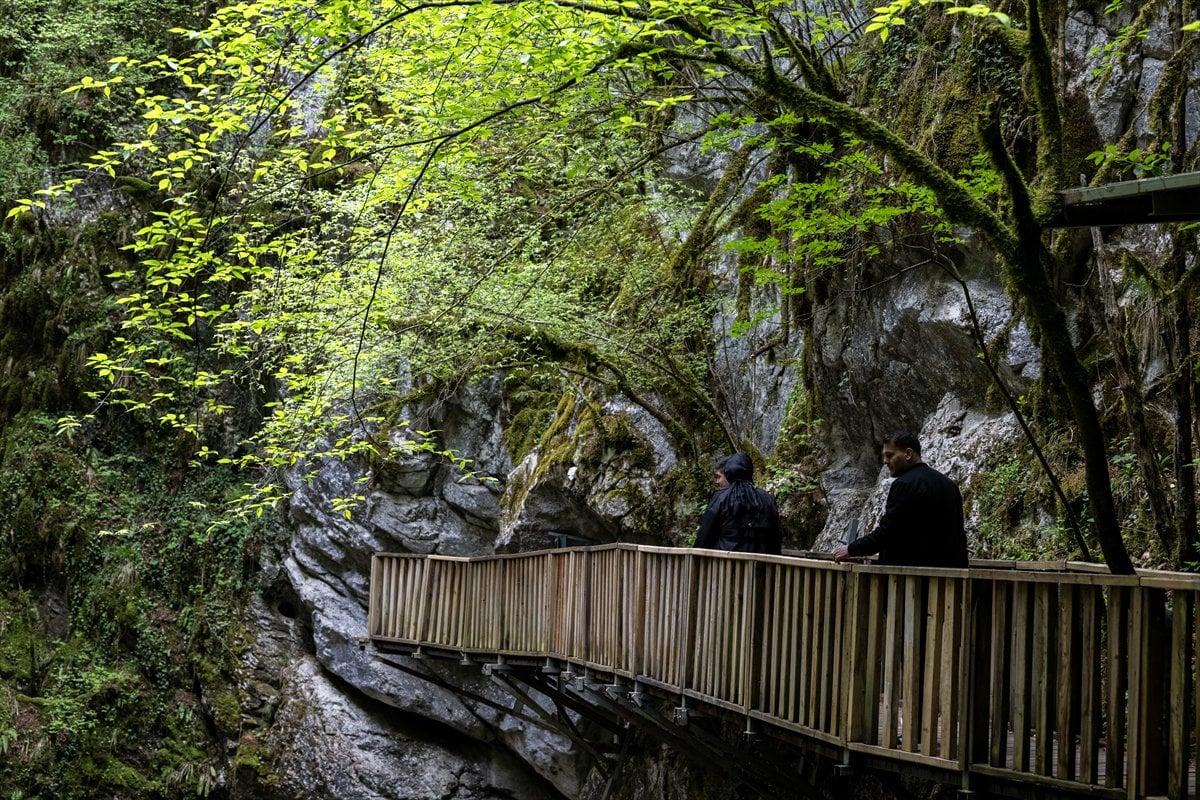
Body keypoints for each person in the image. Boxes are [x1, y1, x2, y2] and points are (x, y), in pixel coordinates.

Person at [832, 432, 967, 568]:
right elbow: (958, 536)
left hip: (912, 578)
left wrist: (851, 549)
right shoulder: (949, 485)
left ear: (908, 454)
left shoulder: (904, 484)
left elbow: (887, 532)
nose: (885, 461)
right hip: (949, 578)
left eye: (889, 455)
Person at [694, 453, 783, 555]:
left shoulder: (722, 497)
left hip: (725, 564)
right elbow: (776, 536)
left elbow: (705, 532)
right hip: (759, 566)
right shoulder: (767, 499)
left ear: (728, 472)